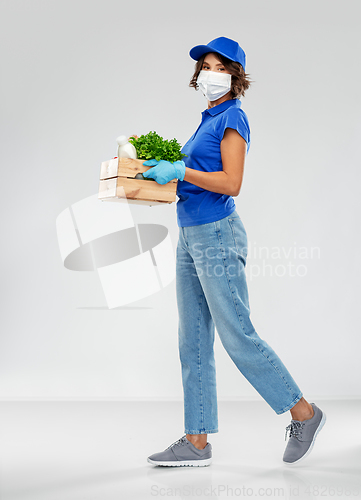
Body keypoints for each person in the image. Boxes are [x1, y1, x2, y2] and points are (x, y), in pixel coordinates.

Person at [137, 36, 326, 467]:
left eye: (218, 66)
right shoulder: (206, 119)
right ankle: (197, 441)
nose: (209, 73)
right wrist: (162, 175)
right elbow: (194, 176)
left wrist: (182, 169)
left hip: (217, 236)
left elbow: (231, 183)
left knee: (237, 335)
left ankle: (305, 413)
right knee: (193, 340)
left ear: (235, 76)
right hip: (189, 234)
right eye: (204, 66)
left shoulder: (233, 118)